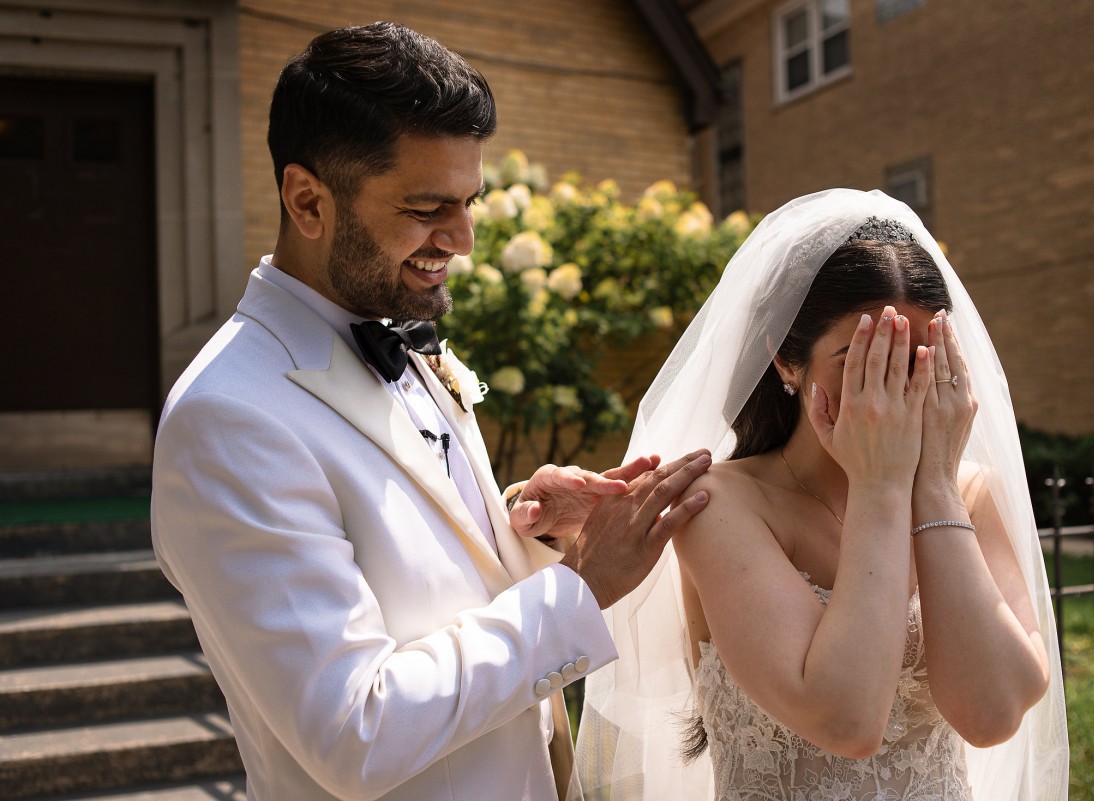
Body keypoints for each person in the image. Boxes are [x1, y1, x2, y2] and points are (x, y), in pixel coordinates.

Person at [150, 22, 711, 801]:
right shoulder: (226, 418)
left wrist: (528, 526)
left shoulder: (399, 332)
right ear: (308, 201)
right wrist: (578, 588)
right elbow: (355, 730)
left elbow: (423, 564)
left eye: (469, 202)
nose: (465, 239)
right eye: (426, 207)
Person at [573, 189, 1069, 801]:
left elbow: (991, 716)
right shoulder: (722, 504)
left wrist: (935, 485)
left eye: (920, 357)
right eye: (863, 360)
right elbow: (845, 720)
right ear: (787, 362)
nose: (897, 388)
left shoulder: (967, 492)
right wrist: (881, 485)